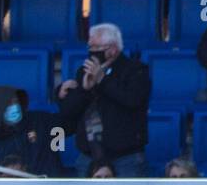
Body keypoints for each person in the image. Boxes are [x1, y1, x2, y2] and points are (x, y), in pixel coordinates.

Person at [57, 24, 152, 177]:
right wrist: (84, 90)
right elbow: (69, 111)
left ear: (113, 49)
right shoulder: (83, 71)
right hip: (89, 156)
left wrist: (102, 79)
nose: (92, 51)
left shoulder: (136, 70)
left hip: (125, 157)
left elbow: (132, 100)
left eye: (96, 47)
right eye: (90, 46)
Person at [0, 84, 65, 177]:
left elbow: (69, 122)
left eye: (16, 102)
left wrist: (64, 94)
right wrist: (2, 178)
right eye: (9, 104)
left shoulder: (40, 121)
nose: (15, 107)